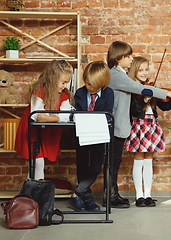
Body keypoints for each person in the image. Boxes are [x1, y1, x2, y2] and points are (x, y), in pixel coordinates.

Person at [106, 41, 171, 208]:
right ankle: (122, 196)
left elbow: (163, 104)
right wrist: (166, 92)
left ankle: (140, 195)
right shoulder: (119, 76)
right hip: (129, 125)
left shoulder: (123, 76)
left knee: (124, 161)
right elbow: (137, 100)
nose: (131, 58)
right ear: (118, 58)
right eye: (128, 56)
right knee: (115, 161)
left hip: (148, 127)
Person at [125, 57, 171, 207]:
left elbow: (165, 107)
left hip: (152, 126)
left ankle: (148, 194)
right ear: (133, 71)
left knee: (149, 161)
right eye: (140, 70)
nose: (144, 73)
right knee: (138, 160)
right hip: (139, 126)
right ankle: (139, 195)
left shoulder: (151, 89)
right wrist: (143, 100)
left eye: (146, 69)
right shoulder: (133, 90)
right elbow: (134, 112)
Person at [15, 60, 73, 180]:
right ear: (53, 77)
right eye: (63, 82)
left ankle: (30, 190)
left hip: (47, 129)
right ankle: (35, 191)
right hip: (33, 129)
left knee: (36, 163)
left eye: (67, 82)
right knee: (37, 162)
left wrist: (49, 118)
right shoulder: (39, 90)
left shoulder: (65, 95)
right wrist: (53, 118)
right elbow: (37, 116)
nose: (65, 86)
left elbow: (66, 115)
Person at [68, 61, 114, 212]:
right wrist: (73, 117)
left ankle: (77, 194)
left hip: (98, 136)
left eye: (95, 86)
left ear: (103, 83)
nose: (91, 88)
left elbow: (108, 115)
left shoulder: (109, 94)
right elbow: (73, 113)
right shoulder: (80, 93)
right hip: (81, 135)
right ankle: (85, 198)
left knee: (95, 167)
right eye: (88, 84)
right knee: (81, 165)